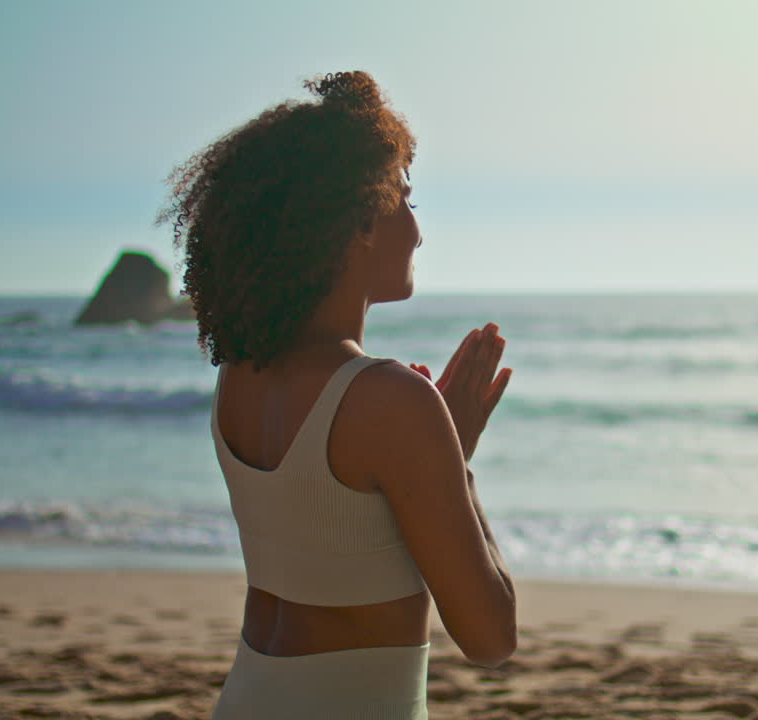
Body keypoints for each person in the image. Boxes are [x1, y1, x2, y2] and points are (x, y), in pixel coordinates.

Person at [158, 70, 516, 719]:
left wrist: (437, 449)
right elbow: (492, 639)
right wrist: (456, 464)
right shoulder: (392, 402)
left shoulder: (239, 374)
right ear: (360, 220)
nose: (418, 230)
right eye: (406, 200)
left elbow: (336, 546)